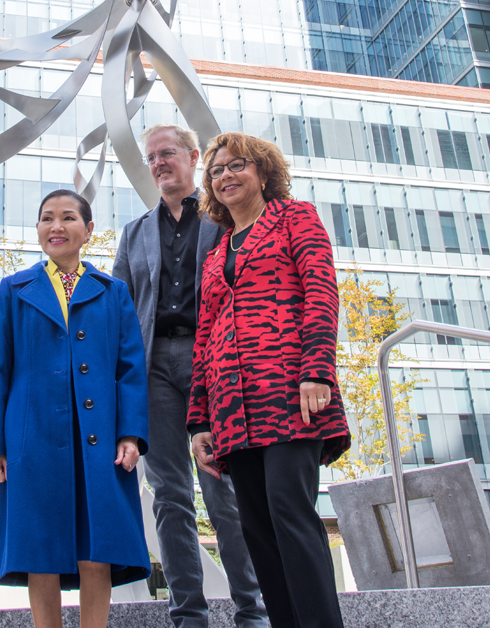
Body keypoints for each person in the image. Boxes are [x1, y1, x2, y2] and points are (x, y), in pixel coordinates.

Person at [188, 132, 351, 628]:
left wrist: (317, 369)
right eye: (216, 171)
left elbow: (321, 291)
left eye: (237, 166)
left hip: (289, 391)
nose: (225, 176)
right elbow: (205, 334)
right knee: (256, 529)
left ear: (262, 171)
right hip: (232, 407)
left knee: (291, 516)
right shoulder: (218, 250)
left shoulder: (294, 217)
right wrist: (199, 421)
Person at [113, 124, 267, 628]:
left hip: (216, 365)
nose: (158, 163)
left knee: (225, 490)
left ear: (193, 157)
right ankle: (189, 615)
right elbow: (119, 308)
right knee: (170, 497)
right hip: (153, 365)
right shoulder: (134, 233)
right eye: (151, 157)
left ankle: (253, 610)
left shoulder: (224, 220)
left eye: (167, 153)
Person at [0, 189, 150, 628]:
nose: (56, 226)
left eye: (68, 217)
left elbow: (130, 369)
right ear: (38, 230)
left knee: (100, 548)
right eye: (46, 218)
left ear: (88, 230)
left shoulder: (113, 292)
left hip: (100, 439)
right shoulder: (13, 291)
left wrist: (130, 434)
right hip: (32, 437)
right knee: (41, 551)